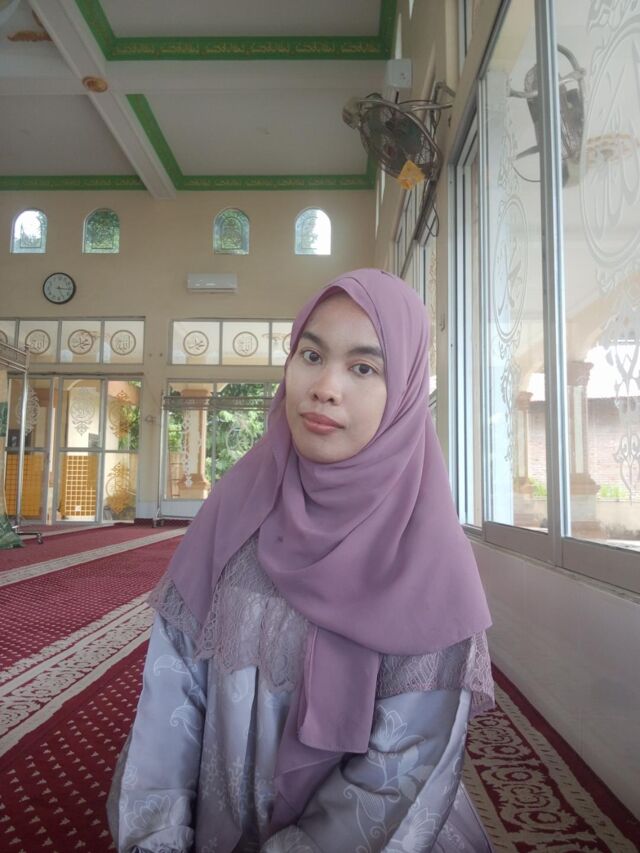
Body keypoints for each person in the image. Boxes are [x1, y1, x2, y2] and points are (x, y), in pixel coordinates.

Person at [107, 269, 495, 852]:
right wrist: (158, 837)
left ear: (407, 390)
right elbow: (172, 691)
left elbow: (403, 766)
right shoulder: (235, 510)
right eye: (311, 355)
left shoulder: (429, 557)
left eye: (363, 368)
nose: (325, 387)